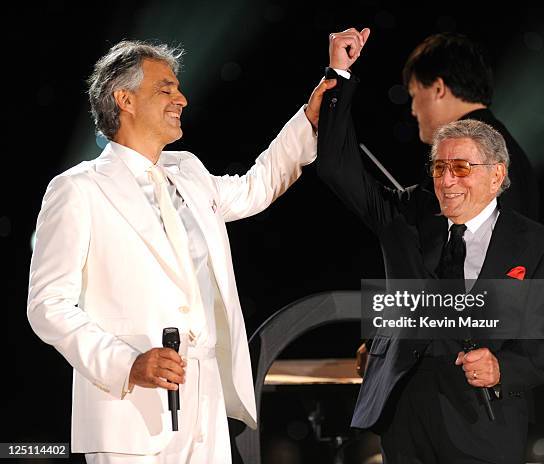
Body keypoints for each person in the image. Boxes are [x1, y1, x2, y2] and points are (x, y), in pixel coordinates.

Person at [27, 40, 333, 464]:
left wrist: (309, 120)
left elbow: (255, 187)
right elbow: (47, 305)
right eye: (166, 89)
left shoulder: (187, 170)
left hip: (204, 398)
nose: (181, 99)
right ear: (124, 99)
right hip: (131, 410)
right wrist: (127, 363)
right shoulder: (78, 188)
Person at [318, 28, 544, 463]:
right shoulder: (413, 207)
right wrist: (338, 74)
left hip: (481, 416)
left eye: (462, 167)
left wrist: (500, 369)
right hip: (407, 414)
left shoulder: (533, 235)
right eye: (439, 169)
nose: (449, 181)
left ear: (497, 176)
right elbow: (338, 169)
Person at [404, 32, 539, 220]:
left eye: (414, 94)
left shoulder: (465, 150)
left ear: (438, 89)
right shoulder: (509, 152)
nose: (413, 109)